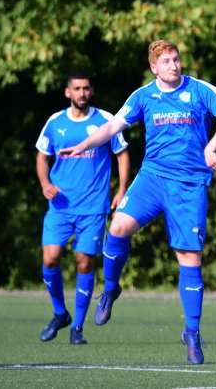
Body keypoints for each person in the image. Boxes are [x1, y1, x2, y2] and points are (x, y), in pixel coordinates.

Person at [59, 40, 216, 364]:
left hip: (188, 185)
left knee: (189, 258)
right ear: (154, 68)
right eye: (166, 61)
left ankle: (192, 332)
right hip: (152, 179)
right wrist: (83, 144)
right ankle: (112, 288)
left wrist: (211, 147)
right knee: (118, 227)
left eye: (176, 59)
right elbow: (113, 126)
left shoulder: (199, 90)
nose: (174, 65)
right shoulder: (143, 96)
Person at [36, 71, 130, 345]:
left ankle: (77, 327)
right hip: (60, 206)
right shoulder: (55, 122)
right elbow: (43, 157)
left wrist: (121, 189)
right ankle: (59, 313)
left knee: (84, 262)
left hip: (93, 207)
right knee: (50, 258)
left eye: (86, 88)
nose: (82, 93)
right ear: (68, 92)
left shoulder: (106, 120)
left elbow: (122, 154)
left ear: (92, 91)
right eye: (77, 88)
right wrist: (44, 183)